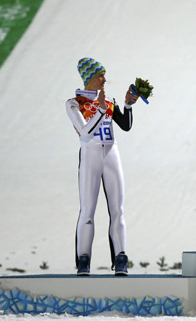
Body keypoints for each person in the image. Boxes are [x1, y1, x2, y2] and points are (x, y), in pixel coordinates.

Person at [66, 57, 138, 276]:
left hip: (111, 153)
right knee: (87, 209)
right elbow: (86, 132)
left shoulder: (108, 100)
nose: (104, 79)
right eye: (100, 75)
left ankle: (121, 257)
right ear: (89, 78)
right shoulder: (74, 103)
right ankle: (83, 259)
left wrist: (127, 104)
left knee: (118, 209)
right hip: (90, 154)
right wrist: (100, 109)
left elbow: (125, 125)